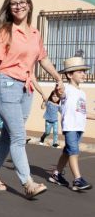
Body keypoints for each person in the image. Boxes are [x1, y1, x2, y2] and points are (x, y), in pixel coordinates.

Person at [0, 0, 64, 199]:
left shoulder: (35, 33)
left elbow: (42, 59)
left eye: (22, 2)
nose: (18, 6)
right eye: (14, 3)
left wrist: (58, 77)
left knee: (8, 136)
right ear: (9, 7)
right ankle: (28, 183)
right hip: (6, 85)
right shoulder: (4, 31)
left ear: (29, 4)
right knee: (18, 136)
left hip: (27, 88)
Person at [48, 56, 95, 191]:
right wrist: (58, 89)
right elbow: (59, 94)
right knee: (74, 150)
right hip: (70, 126)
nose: (83, 74)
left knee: (67, 152)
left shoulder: (82, 93)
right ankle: (77, 180)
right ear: (69, 74)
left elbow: (83, 112)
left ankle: (56, 174)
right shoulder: (66, 89)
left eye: (84, 71)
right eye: (79, 71)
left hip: (79, 127)